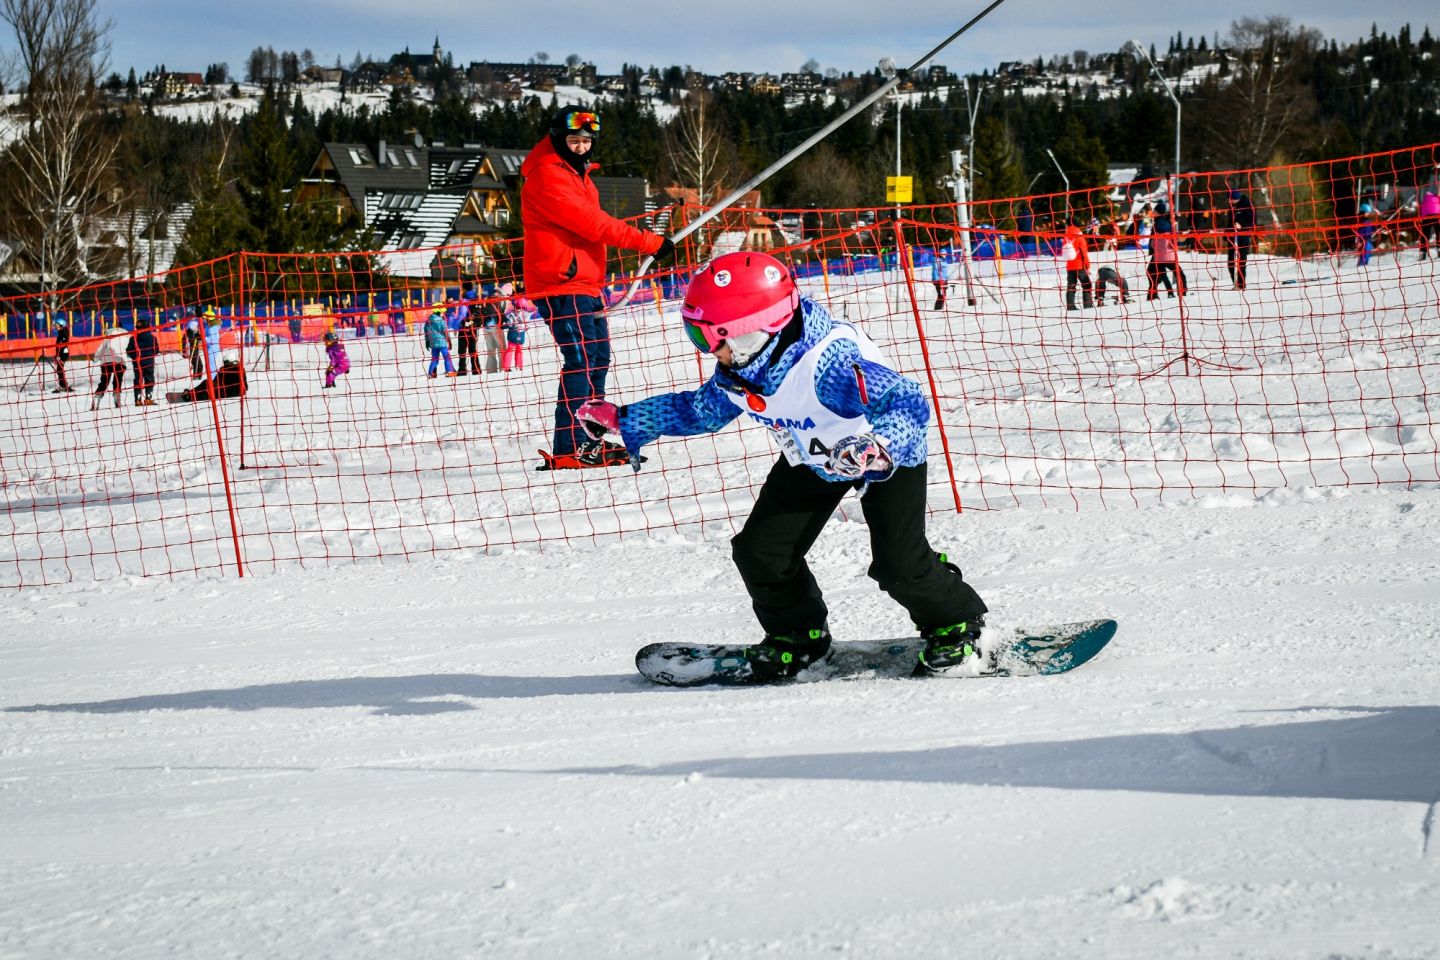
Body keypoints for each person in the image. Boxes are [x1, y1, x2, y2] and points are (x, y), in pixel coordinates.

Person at [573, 250, 990, 680]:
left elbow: (905, 400)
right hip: (815, 458)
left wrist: (879, 445)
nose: (707, 351)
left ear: (749, 334)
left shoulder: (829, 366)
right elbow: (699, 411)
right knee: (761, 552)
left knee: (899, 564)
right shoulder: (742, 373)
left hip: (884, 455)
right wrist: (624, 420)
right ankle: (798, 638)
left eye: (707, 338)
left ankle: (956, 625)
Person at [521, 107, 673, 470]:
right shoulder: (547, 176)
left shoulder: (578, 175)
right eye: (573, 140)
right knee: (581, 361)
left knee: (598, 359)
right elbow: (593, 224)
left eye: (587, 141)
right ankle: (570, 446)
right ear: (558, 139)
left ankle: (590, 439)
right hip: (561, 283)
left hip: (585, 282)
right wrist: (649, 242)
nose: (580, 147)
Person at [1146, 204, 1187, 301]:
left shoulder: (1159, 223)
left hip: (1160, 255)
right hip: (1168, 255)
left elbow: (1153, 241)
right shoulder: (1166, 223)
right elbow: (1173, 238)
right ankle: (1181, 292)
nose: (1153, 213)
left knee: (1153, 273)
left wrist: (1152, 249)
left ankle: (1154, 295)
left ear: (1159, 213)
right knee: (1178, 274)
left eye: (1155, 211)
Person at [169, 355, 246, 402]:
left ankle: (190, 395)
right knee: (208, 386)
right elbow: (245, 386)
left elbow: (216, 381)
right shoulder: (240, 369)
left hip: (225, 392)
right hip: (237, 392)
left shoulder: (225, 370)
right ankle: (191, 394)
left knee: (207, 384)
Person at [89, 325, 129, 410]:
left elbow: (101, 348)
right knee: (118, 379)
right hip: (120, 360)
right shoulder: (126, 337)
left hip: (106, 361)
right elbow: (129, 348)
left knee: (104, 380)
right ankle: (117, 396)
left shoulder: (108, 337)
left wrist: (95, 359)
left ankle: (97, 398)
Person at [1227, 189, 1255, 290]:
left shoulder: (1247, 206)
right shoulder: (1231, 207)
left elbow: (1252, 223)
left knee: (1241, 262)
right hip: (1232, 238)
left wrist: (1242, 226)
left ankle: (1241, 285)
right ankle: (1235, 283)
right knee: (1231, 262)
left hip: (1243, 237)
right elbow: (1229, 222)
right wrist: (1226, 234)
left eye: (1230, 199)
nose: (1229, 201)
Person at [1061, 220, 1093, 310]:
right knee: (1087, 285)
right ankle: (1088, 305)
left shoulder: (1065, 237)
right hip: (1079, 265)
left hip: (1069, 265)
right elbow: (1084, 253)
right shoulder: (1079, 237)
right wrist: (1087, 266)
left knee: (1071, 285)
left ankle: (1070, 306)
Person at [127, 315, 158, 406]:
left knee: (138, 380)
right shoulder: (152, 338)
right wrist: (150, 356)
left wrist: (135, 357)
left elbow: (128, 350)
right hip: (149, 362)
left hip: (137, 362)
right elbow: (156, 350)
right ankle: (148, 398)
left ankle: (137, 399)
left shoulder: (133, 338)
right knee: (149, 379)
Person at [453, 287, 481, 376]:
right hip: (467, 330)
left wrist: (469, 323)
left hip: (469, 330)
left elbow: (476, 318)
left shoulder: (469, 305)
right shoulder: (467, 304)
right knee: (467, 351)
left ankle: (470, 369)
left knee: (467, 351)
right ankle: (471, 369)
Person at [502, 293, 533, 373]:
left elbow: (527, 325)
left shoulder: (525, 314)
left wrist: (521, 325)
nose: (518, 309)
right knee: (512, 349)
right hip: (515, 334)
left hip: (518, 334)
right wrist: (513, 324)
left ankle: (517, 366)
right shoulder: (512, 314)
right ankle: (509, 367)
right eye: (517, 308)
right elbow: (509, 323)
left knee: (517, 350)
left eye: (520, 308)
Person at [479, 286, 506, 374]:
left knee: (490, 350)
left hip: (486, 327)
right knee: (501, 347)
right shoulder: (496, 301)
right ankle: (503, 368)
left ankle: (491, 370)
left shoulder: (484, 301)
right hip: (495, 326)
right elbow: (504, 299)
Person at [423, 307, 455, 379]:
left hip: (433, 343)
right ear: (439, 312)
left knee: (434, 359)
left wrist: (427, 342)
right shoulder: (441, 321)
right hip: (442, 342)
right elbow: (445, 332)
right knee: (447, 357)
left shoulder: (428, 321)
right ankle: (449, 371)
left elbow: (426, 332)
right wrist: (449, 341)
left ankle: (430, 373)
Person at [50, 316, 75, 393]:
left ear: (61, 325)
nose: (55, 327)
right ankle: (63, 385)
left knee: (60, 369)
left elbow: (62, 345)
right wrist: (56, 355)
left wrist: (58, 356)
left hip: (63, 353)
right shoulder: (61, 332)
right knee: (59, 370)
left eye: (57, 326)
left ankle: (65, 386)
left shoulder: (63, 333)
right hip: (61, 353)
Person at [1419, 187, 1440, 259]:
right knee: (1438, 234)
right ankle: (1439, 250)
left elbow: (1422, 208)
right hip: (1436, 215)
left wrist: (1421, 218)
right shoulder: (1437, 196)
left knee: (1425, 235)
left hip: (1426, 217)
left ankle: (1423, 253)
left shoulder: (1424, 197)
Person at [1355, 199, 1378, 267]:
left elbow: (1373, 228)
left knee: (1368, 252)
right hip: (1363, 241)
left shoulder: (1369, 221)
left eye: (1368, 213)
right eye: (1367, 212)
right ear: (1363, 212)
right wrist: (1358, 242)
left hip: (1368, 240)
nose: (1368, 214)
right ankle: (1361, 265)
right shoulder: (1360, 222)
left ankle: (1364, 265)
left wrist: (1376, 230)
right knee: (1364, 255)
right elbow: (1357, 232)